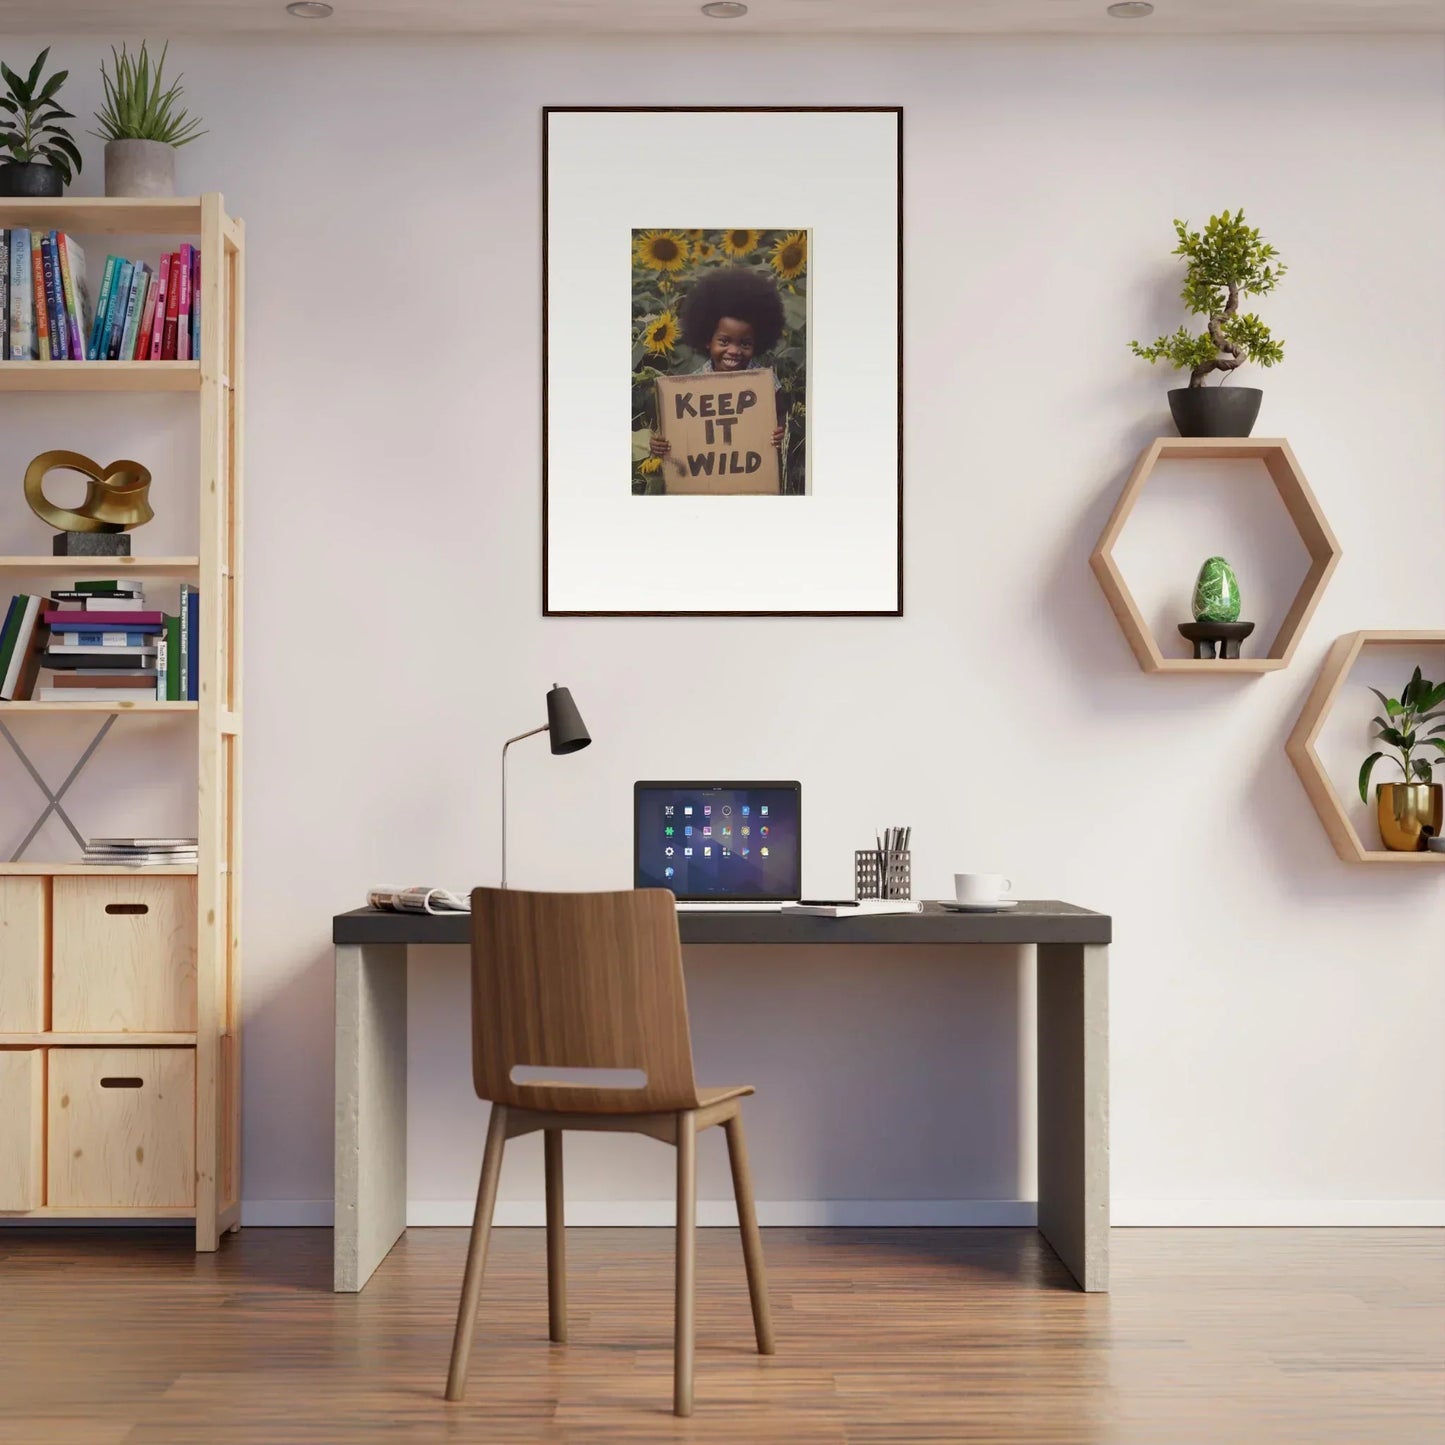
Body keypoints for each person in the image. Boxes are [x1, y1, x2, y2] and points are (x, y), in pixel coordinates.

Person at [650, 266, 787, 462]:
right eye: (724, 341)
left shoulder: (766, 382)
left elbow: (781, 414)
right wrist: (660, 444)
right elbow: (677, 432)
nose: (734, 351)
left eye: (745, 343)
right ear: (707, 339)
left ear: (758, 343)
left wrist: (780, 433)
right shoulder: (693, 385)